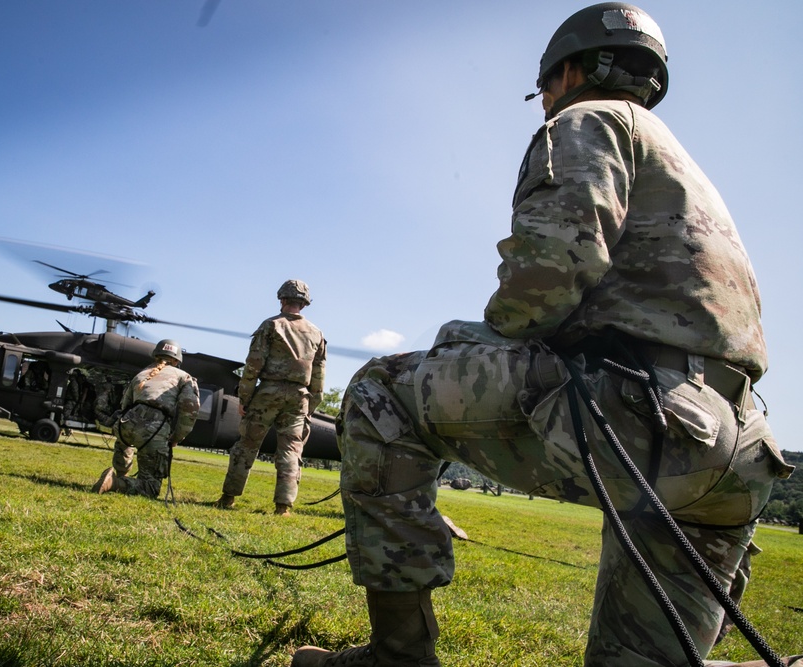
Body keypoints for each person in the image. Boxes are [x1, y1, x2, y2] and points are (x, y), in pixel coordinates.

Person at [292, 4, 798, 667]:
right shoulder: (683, 167)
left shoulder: (588, 120)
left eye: (546, 88)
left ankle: (397, 654)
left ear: (567, 71)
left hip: (639, 422)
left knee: (381, 391)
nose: (546, 103)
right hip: (736, 452)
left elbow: (557, 265)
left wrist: (473, 339)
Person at [216, 279, 327, 516]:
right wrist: (311, 405)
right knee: (291, 450)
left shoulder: (271, 325)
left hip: (268, 393)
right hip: (299, 397)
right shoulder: (317, 333)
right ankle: (283, 506)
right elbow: (319, 375)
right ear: (305, 303)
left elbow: (253, 365)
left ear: (282, 299)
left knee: (247, 445)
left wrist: (244, 397)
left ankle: (228, 498)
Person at [92, 339, 200, 499]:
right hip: (153, 430)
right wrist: (176, 436)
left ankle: (121, 474)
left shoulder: (140, 375)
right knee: (150, 488)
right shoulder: (184, 377)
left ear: (155, 355)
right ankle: (114, 483)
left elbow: (125, 406)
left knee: (127, 439)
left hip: (125, 426)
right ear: (177, 360)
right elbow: (190, 409)